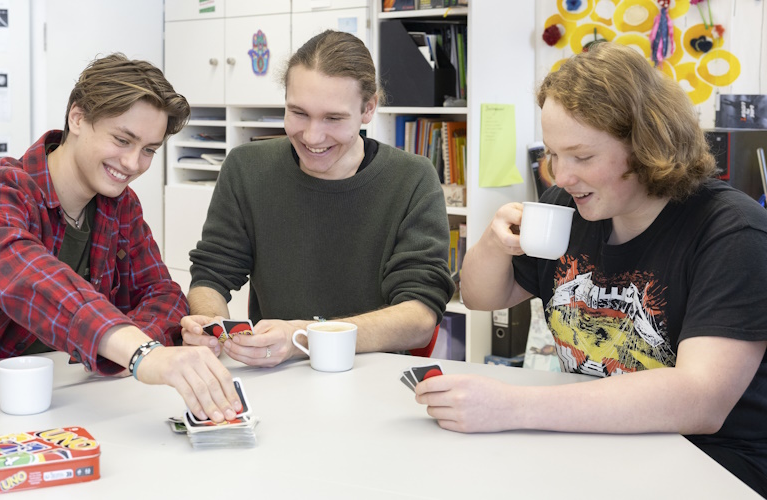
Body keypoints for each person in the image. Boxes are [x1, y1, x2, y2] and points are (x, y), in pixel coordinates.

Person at [420, 42, 767, 495]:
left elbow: (700, 400)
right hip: (601, 445)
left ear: (648, 145)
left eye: (582, 157)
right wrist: (492, 241)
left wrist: (513, 407)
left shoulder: (733, 233)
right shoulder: (569, 208)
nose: (560, 176)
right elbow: (483, 297)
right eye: (554, 154)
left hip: (713, 463)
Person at [0, 54, 242, 423]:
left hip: (73, 397)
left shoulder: (120, 205)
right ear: (77, 118)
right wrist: (139, 353)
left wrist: (133, 346)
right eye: (123, 139)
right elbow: (31, 281)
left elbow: (163, 295)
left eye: (149, 150)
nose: (134, 163)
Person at [181, 30, 455, 367]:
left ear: (368, 109)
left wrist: (303, 337)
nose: (312, 136)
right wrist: (210, 324)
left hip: (369, 375)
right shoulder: (246, 167)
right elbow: (212, 274)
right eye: (298, 113)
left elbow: (419, 319)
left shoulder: (412, 178)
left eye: (333, 118)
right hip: (277, 374)